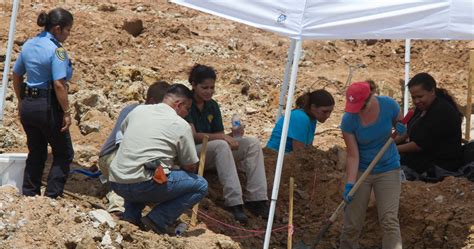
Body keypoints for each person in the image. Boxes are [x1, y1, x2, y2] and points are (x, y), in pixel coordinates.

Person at [337, 81, 408, 249]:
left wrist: (402, 130)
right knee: (352, 221)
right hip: (362, 170)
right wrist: (350, 183)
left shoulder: (389, 106)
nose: (358, 110)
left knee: (388, 219)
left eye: (362, 105)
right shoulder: (349, 120)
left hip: (388, 169)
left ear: (372, 96)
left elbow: (401, 131)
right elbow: (352, 154)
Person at [109, 84, 208, 234]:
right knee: (200, 185)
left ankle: (131, 218)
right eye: (187, 109)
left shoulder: (138, 110)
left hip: (117, 181)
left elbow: (125, 134)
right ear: (179, 105)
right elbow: (190, 166)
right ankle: (157, 220)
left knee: (142, 167)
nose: (187, 114)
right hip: (143, 184)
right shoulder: (181, 124)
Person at [185, 64, 268, 224]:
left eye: (212, 88)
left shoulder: (212, 106)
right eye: (204, 87)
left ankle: (257, 198)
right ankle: (234, 202)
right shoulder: (187, 103)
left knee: (252, 143)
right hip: (192, 152)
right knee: (221, 145)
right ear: (194, 85)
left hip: (213, 150)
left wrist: (233, 135)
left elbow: (219, 134)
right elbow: (193, 136)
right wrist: (224, 138)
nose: (209, 91)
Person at [12, 8, 74, 198]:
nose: (68, 34)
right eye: (67, 30)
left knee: (36, 151)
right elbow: (59, 84)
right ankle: (52, 198)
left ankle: (29, 194)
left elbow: (16, 74)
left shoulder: (29, 45)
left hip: (29, 105)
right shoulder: (57, 51)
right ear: (57, 28)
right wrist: (66, 111)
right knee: (63, 152)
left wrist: (21, 99)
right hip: (47, 105)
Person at [98, 81, 170, 213]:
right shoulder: (132, 111)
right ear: (152, 102)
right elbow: (123, 145)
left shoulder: (159, 119)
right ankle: (117, 205)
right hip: (114, 156)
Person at [396, 73, 463, 174]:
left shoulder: (441, 111)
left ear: (432, 91)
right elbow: (409, 131)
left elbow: (420, 145)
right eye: (413, 97)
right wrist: (388, 143)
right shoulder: (422, 108)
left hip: (440, 163)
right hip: (423, 155)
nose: (417, 101)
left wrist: (392, 150)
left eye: (420, 96)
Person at [267, 89, 334, 153]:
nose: (328, 115)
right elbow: (299, 154)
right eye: (324, 112)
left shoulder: (312, 119)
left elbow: (308, 148)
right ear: (313, 107)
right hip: (275, 158)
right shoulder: (301, 118)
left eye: (330, 112)